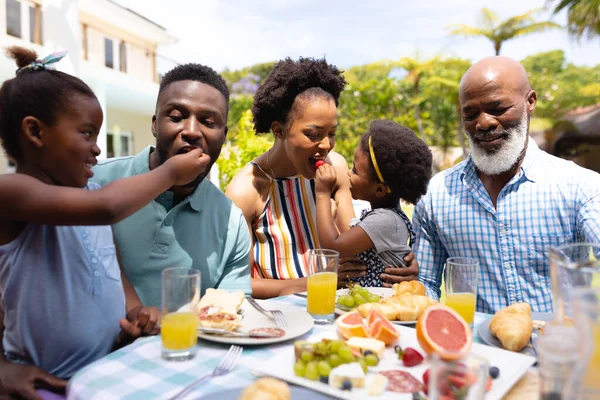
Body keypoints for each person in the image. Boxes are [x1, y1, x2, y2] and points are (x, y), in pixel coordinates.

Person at [0, 47, 209, 397]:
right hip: (47, 384)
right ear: (35, 132)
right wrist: (171, 172)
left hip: (108, 371)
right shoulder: (12, 193)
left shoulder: (92, 192)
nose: (97, 149)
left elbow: (112, 269)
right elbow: (107, 207)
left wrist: (135, 309)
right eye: (87, 134)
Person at [414, 56, 600, 314]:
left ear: (530, 102)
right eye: (470, 114)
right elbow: (425, 284)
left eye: (498, 108)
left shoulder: (580, 186)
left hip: (556, 348)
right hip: (475, 350)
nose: (484, 123)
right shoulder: (437, 195)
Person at [226, 58, 418, 299]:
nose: (326, 145)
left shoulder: (334, 168)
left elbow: (354, 247)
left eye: (332, 133)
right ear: (279, 130)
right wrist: (315, 281)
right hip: (279, 320)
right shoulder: (247, 190)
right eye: (313, 134)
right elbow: (238, 284)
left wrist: (402, 262)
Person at [91, 63, 252, 308]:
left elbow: (230, 315)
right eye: (177, 117)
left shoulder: (231, 222)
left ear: (224, 135)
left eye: (208, 122)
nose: (191, 131)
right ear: (155, 124)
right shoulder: (93, 183)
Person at [314, 120, 432, 288]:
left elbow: (333, 246)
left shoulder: (385, 220)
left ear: (379, 191)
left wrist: (322, 194)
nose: (348, 173)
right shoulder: (382, 217)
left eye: (355, 170)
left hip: (378, 305)